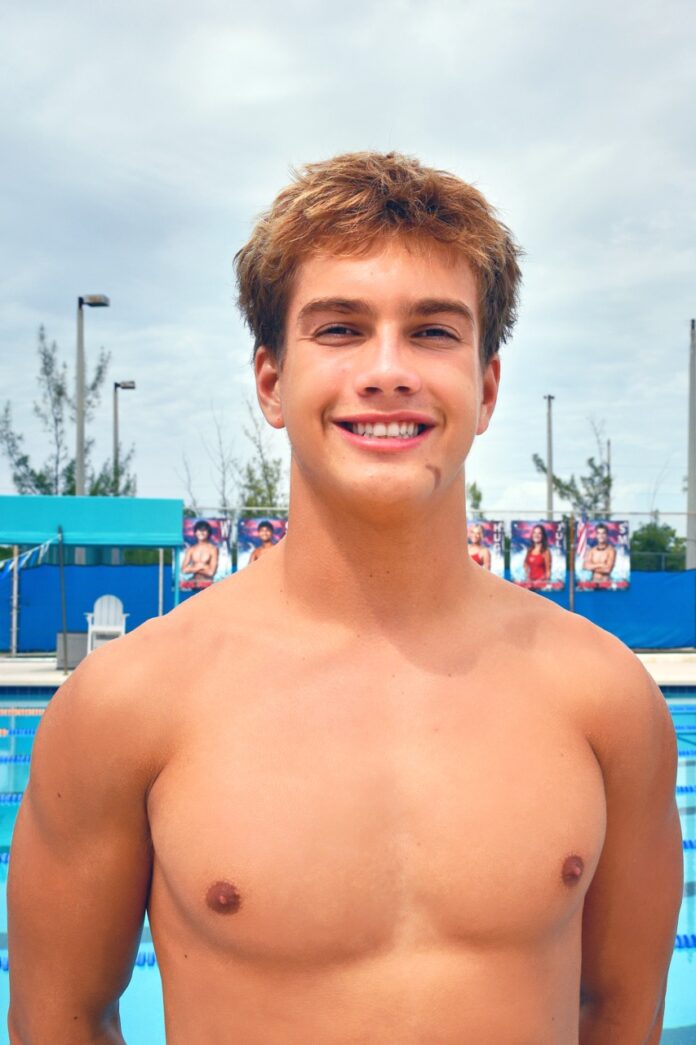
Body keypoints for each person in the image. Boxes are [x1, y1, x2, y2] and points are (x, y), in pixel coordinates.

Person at [8, 152, 681, 1044]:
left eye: (435, 331)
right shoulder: (128, 703)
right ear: (271, 382)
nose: (388, 370)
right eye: (339, 329)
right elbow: (63, 1020)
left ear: (484, 389)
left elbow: (620, 1013)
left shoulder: (605, 700)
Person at [180, 519, 219, 589]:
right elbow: (184, 570)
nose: (201, 533)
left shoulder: (213, 549)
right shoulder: (191, 550)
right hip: (194, 584)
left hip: (208, 585)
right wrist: (202, 567)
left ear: (208, 533)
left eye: (204, 530)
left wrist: (193, 568)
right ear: (195, 532)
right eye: (199, 530)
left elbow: (211, 572)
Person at [524, 522, 552, 588]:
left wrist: (538, 582)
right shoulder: (529, 550)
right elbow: (525, 564)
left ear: (543, 536)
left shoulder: (546, 551)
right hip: (530, 585)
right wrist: (528, 577)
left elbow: (548, 572)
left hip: (541, 586)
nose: (536, 535)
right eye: (534, 533)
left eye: (539, 533)